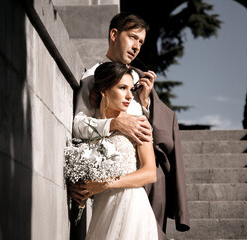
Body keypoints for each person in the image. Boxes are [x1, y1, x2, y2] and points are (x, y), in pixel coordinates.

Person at [69, 12, 190, 237]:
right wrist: (115, 124)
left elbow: (144, 133)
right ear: (114, 34)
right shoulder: (93, 78)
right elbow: (79, 125)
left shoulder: (139, 81)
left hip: (140, 185)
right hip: (107, 196)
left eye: (141, 42)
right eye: (133, 37)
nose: (137, 46)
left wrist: (144, 105)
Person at [81, 62, 158, 239]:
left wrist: (107, 183)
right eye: (122, 88)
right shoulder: (91, 127)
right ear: (104, 90)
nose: (129, 96)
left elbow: (150, 173)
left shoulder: (138, 123)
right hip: (102, 211)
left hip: (131, 207)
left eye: (131, 89)